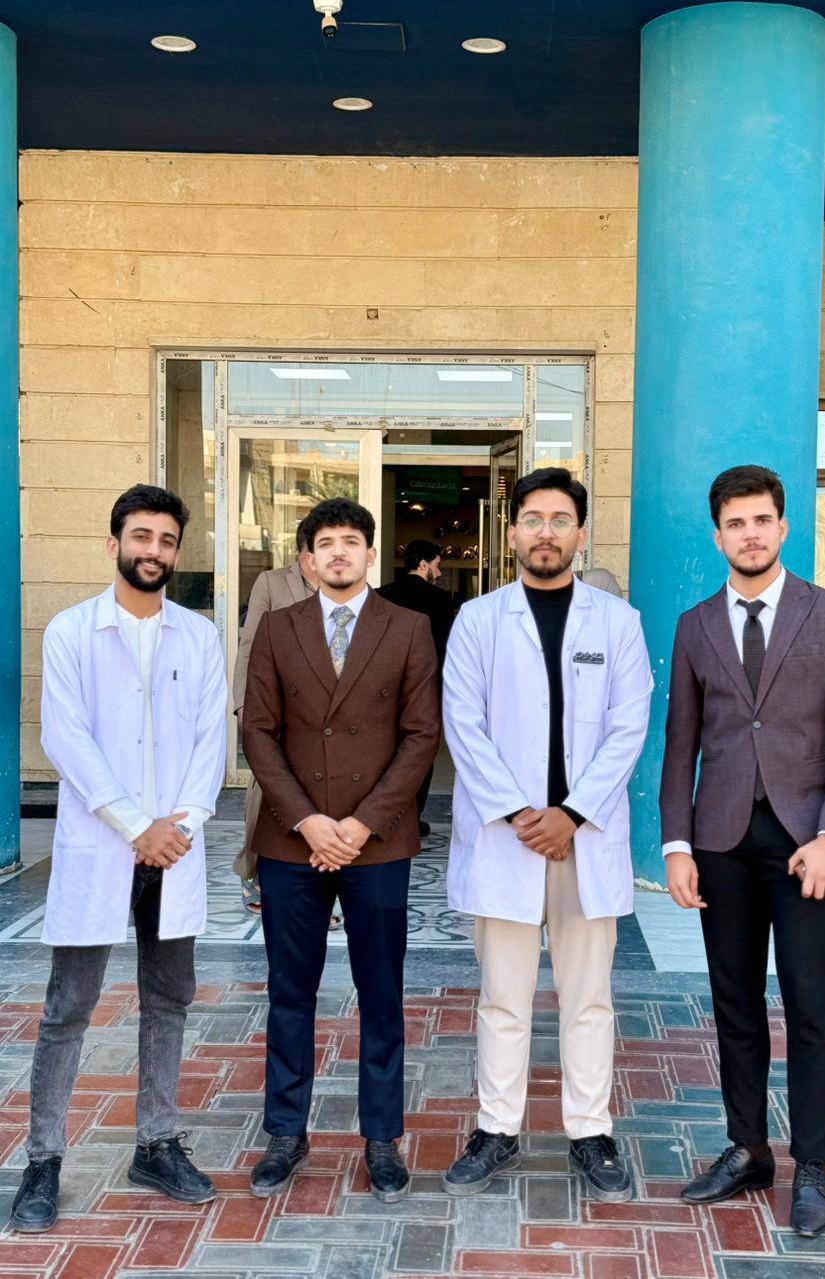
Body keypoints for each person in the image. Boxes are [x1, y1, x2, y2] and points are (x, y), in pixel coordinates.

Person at [659, 464, 825, 1238]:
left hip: (806, 845)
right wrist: (676, 844)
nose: (750, 534)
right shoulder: (695, 626)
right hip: (721, 842)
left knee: (811, 1004)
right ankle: (748, 1148)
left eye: (761, 520)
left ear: (783, 527)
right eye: (736, 523)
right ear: (717, 535)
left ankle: (812, 1163)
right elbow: (680, 744)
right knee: (735, 1001)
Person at [10, 484, 227, 1234]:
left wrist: (182, 823)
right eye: (141, 536)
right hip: (104, 843)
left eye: (166, 540)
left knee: (169, 1000)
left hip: (175, 847)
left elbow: (211, 740)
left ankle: (156, 1144)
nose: (153, 551)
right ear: (114, 544)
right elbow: (65, 738)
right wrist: (137, 826)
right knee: (67, 1007)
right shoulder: (73, 631)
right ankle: (43, 1159)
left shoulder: (198, 636)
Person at [442, 467, 653, 1203]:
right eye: (532, 519)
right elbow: (462, 724)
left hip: (584, 840)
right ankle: (496, 1128)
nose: (546, 533)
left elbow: (629, 727)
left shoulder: (617, 623)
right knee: (503, 996)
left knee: (587, 997)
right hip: (508, 838)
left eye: (561, 520)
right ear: (512, 533)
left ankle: (590, 1131)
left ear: (580, 534)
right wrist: (519, 813)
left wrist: (573, 813)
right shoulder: (478, 620)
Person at [242, 497, 440, 1204]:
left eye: (351, 541)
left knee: (381, 993)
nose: (338, 552)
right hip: (292, 840)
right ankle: (285, 1133)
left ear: (369, 554)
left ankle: (382, 1138)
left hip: (376, 843)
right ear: (306, 559)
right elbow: (257, 732)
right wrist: (307, 821)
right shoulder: (277, 628)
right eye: (324, 542)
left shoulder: (408, 628)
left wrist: (360, 824)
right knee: (289, 991)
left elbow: (422, 735)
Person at [232, 516, 328, 917]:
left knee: (321, 797)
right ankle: (252, 870)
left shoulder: (345, 584)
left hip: (325, 713)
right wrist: (243, 703)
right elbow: (249, 644)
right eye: (311, 554)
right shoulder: (271, 583)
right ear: (301, 552)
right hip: (275, 704)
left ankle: (320, 891)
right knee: (265, 790)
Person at [378, 539, 455, 835]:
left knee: (385, 750)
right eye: (437, 564)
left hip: (383, 687)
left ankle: (386, 814)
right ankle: (412, 816)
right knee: (420, 750)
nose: (440, 571)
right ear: (423, 564)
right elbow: (445, 648)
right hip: (424, 687)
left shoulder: (381, 595)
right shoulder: (440, 600)